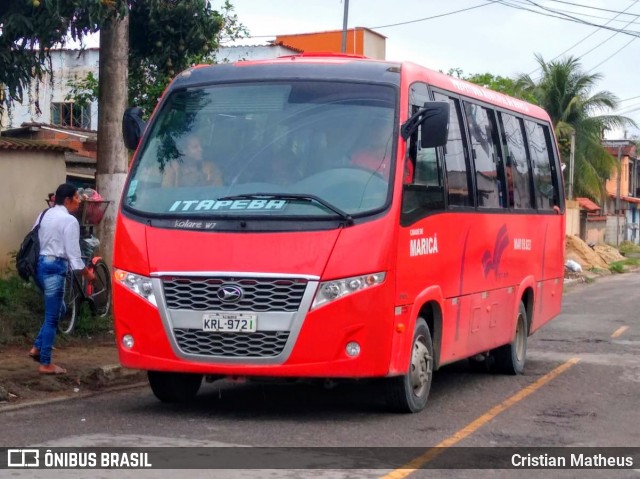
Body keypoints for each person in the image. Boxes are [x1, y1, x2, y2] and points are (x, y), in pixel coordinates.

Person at [28, 183, 95, 375]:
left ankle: (37, 348)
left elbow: (35, 239)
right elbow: (74, 257)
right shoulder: (69, 221)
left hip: (39, 267)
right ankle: (45, 362)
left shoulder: (44, 215)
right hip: (54, 269)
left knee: (60, 309)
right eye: (76, 197)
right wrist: (88, 274)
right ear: (66, 200)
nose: (79, 200)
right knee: (52, 318)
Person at [350, 117, 413, 183]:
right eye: (374, 128)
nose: (377, 132)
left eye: (382, 128)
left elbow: (403, 190)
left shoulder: (402, 161)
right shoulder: (357, 158)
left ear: (392, 131)